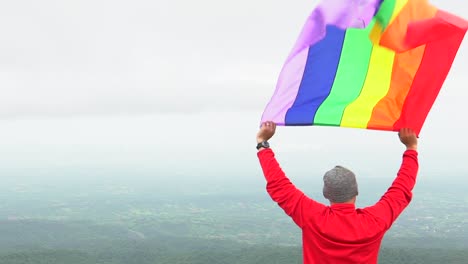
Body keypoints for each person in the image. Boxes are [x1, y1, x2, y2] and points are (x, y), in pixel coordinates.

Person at [256, 121, 419, 264]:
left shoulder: (313, 218)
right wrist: (411, 148)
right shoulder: (374, 222)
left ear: (326, 193)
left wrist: (262, 144)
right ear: (356, 191)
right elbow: (402, 188)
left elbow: (279, 185)